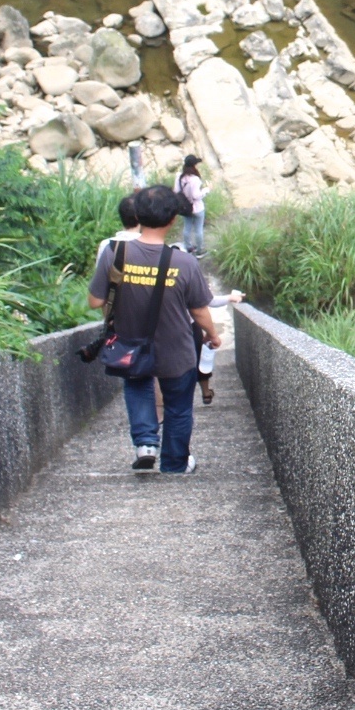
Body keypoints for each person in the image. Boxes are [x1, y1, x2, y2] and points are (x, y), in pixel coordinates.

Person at [87, 186, 220, 474]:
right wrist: (212, 334)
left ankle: (146, 443)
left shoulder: (115, 253)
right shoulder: (184, 261)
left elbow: (95, 300)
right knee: (179, 407)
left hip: (130, 344)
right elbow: (199, 310)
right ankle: (174, 464)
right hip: (177, 348)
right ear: (173, 220)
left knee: (137, 386)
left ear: (137, 215)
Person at [175, 156, 208, 255]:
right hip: (197, 208)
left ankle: (188, 247)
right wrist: (206, 190)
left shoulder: (179, 176)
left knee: (187, 227)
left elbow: (176, 191)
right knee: (198, 229)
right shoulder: (195, 179)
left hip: (185, 208)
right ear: (194, 165)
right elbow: (196, 195)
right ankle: (199, 250)